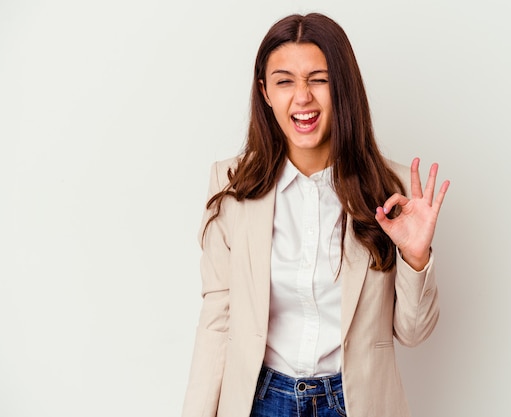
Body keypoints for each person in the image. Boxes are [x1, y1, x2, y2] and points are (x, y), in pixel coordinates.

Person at [182, 12, 450, 417]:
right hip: (261, 401)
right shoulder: (233, 185)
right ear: (265, 91)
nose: (302, 96)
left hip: (356, 402)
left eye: (319, 79)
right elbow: (218, 322)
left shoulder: (393, 190)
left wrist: (415, 259)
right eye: (284, 80)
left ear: (342, 88)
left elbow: (412, 333)